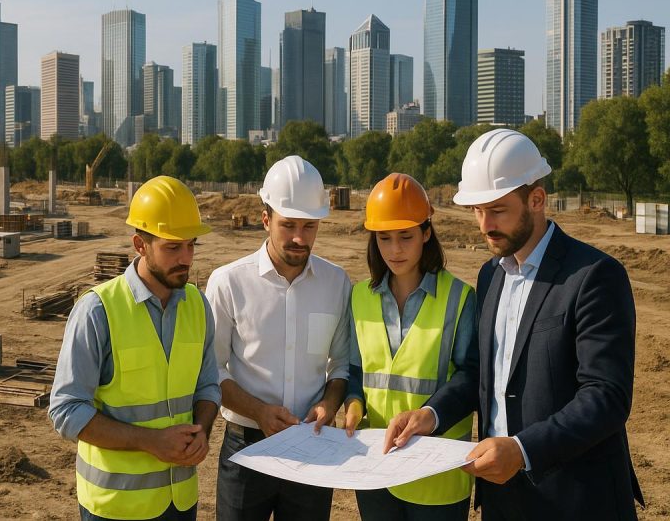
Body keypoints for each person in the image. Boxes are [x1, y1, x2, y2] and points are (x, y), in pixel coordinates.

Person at [384, 129, 644, 520]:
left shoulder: (593, 276)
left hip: (577, 498)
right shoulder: (491, 275)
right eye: (477, 210)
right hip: (504, 496)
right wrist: (431, 414)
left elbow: (605, 396)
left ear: (536, 199)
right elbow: (482, 374)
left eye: (497, 210)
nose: (485, 224)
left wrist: (522, 450)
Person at [49, 175, 221, 521]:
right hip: (115, 507)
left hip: (180, 502)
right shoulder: (98, 311)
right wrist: (151, 442)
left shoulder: (198, 307)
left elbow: (208, 387)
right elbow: (66, 411)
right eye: (173, 247)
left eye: (191, 245)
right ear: (139, 244)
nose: (186, 258)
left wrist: (202, 429)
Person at [206, 155, 350, 520]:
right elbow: (211, 369)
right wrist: (259, 412)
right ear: (266, 218)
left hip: (312, 446)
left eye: (309, 226)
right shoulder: (228, 283)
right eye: (289, 225)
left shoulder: (337, 284)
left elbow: (341, 365)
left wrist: (329, 406)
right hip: (247, 446)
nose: (300, 238)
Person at [344, 172, 476, 520]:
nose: (395, 250)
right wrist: (354, 403)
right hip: (376, 468)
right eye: (384, 238)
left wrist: (430, 416)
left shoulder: (459, 298)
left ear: (426, 233)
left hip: (436, 474)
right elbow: (356, 370)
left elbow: (471, 376)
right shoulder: (359, 297)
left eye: (405, 237)